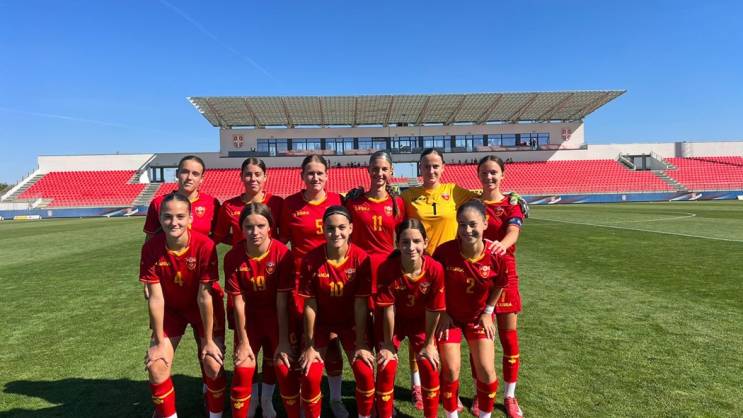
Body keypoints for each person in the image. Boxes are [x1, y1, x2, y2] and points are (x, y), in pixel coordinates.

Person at [140, 192, 226, 418]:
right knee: (157, 366)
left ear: (190, 218)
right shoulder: (151, 248)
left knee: (212, 363)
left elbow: (204, 297)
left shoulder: (205, 245)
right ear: (160, 218)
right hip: (171, 310)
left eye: (180, 216)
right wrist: (159, 343)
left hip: (203, 308)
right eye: (167, 217)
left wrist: (209, 341)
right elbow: (156, 298)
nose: (174, 222)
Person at [278, 154, 348, 417]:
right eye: (310, 173)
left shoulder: (337, 200)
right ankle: (303, 397)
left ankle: (336, 398)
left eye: (320, 173)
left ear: (327, 175)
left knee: (332, 341)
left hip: (332, 281)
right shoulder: (290, 204)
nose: (315, 177)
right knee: (301, 340)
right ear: (302, 176)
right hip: (301, 282)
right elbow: (282, 241)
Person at [214, 158, 284, 416]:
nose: (253, 179)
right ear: (241, 176)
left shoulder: (277, 203)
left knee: (273, 351)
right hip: (242, 279)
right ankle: (252, 398)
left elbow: (283, 236)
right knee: (245, 348)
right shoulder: (229, 206)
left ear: (265, 176)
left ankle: (266, 399)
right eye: (248, 174)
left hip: (271, 277)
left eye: (257, 174)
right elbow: (218, 237)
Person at [297, 206, 376, 418]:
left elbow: (361, 304)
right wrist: (310, 346)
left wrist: (362, 343)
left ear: (351, 228)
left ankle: (361, 413)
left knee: (365, 372)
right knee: (310, 375)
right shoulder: (310, 260)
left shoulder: (361, 258)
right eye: (330, 228)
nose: (336, 233)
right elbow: (310, 305)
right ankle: (321, 406)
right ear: (323, 229)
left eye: (342, 227)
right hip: (322, 324)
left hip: (351, 324)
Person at [434, 200, 508, 418]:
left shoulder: (495, 255)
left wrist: (488, 312)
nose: (467, 230)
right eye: (462, 224)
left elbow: (500, 283)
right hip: (451, 318)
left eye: (473, 224)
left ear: (485, 223)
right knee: (450, 370)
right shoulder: (445, 251)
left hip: (477, 318)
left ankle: (485, 416)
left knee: (487, 371)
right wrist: (442, 312)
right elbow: (435, 285)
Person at [223, 203, 294, 418]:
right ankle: (252, 400)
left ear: (270, 227)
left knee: (282, 365)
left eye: (261, 226)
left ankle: (266, 399)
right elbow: (238, 302)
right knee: (243, 368)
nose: (255, 232)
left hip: (276, 317)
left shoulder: (282, 253)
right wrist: (243, 342)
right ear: (241, 229)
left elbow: (282, 302)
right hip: (249, 318)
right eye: (249, 226)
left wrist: (284, 340)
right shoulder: (233, 257)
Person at [374, 219, 446, 418]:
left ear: (425, 242)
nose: (411, 247)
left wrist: (429, 344)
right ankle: (384, 413)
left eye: (416, 241)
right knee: (386, 365)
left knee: (429, 364)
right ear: (397, 244)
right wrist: (388, 344)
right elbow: (388, 310)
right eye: (405, 242)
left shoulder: (435, 269)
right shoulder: (387, 268)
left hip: (420, 323)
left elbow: (434, 309)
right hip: (393, 323)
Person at [476, 155, 525, 418]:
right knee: (480, 339)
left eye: (494, 172)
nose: (489, 177)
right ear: (478, 175)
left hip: (505, 275)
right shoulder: (473, 204)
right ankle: (480, 392)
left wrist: (501, 246)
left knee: (508, 338)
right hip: (478, 276)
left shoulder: (511, 204)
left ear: (502, 175)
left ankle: (509, 395)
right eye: (484, 172)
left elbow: (513, 231)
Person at [143, 155, 220, 239]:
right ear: (177, 174)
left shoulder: (212, 203)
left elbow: (218, 236)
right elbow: (150, 239)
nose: (189, 177)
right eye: (185, 172)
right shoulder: (158, 202)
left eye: (195, 174)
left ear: (201, 178)